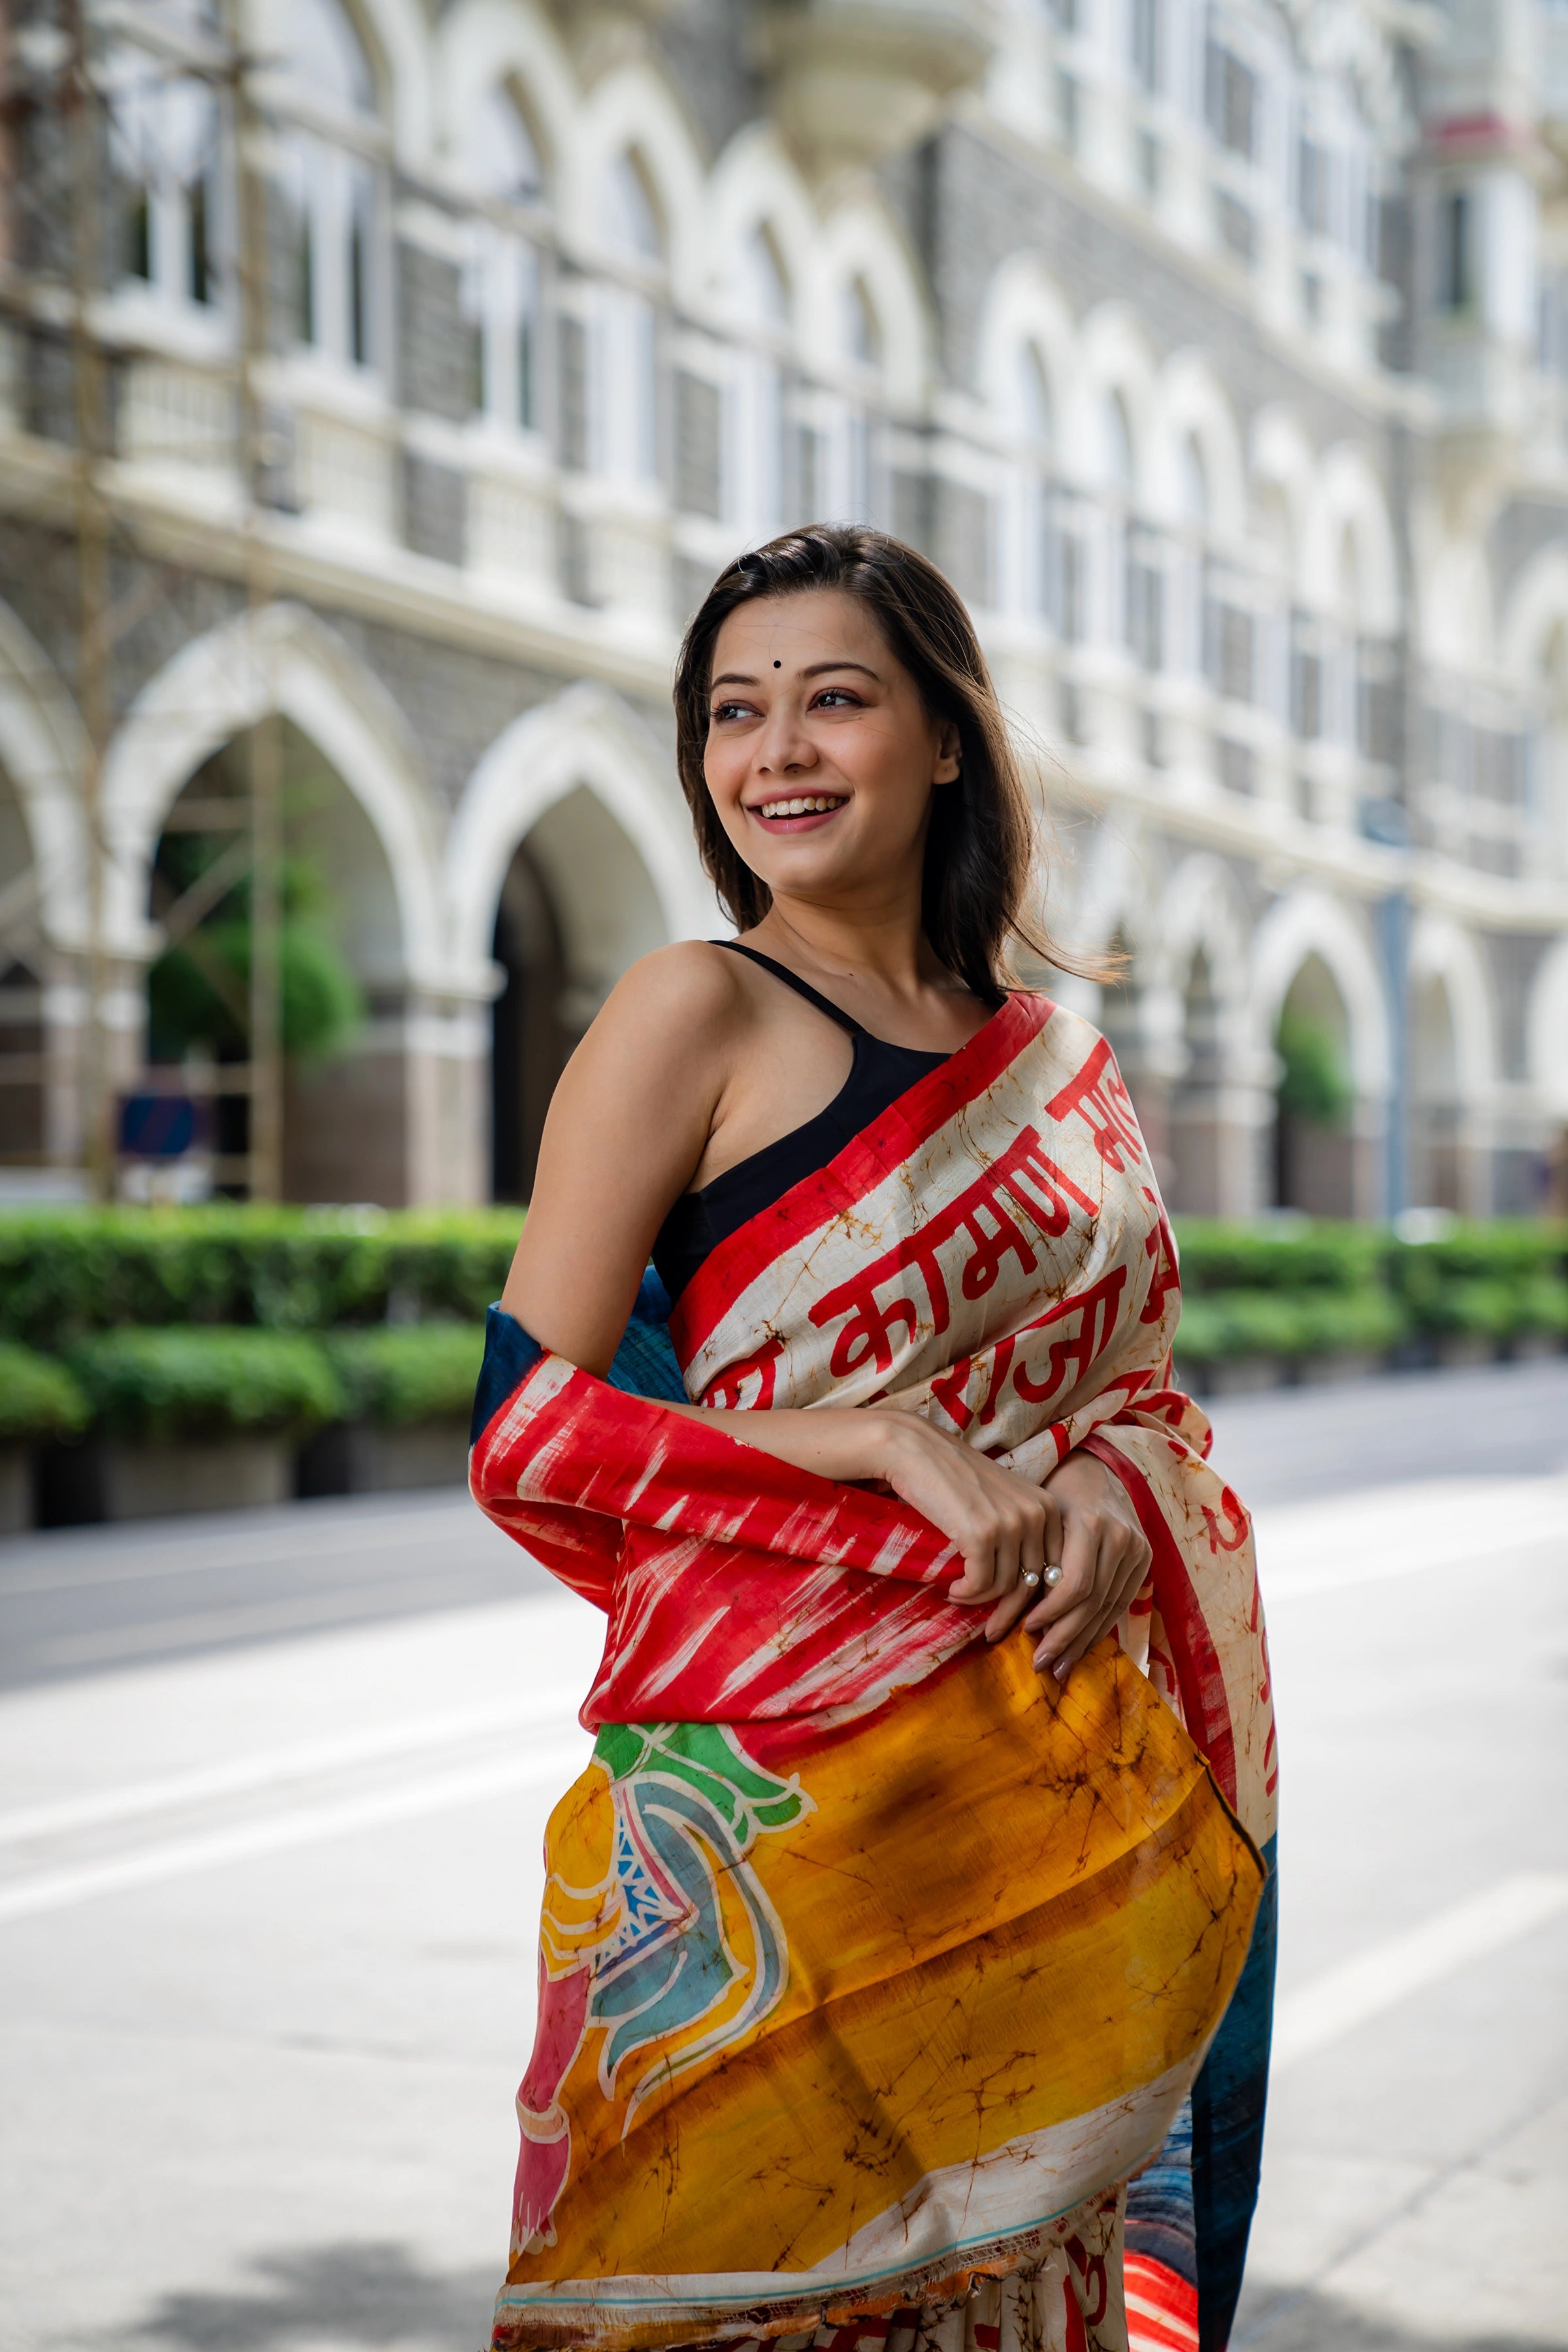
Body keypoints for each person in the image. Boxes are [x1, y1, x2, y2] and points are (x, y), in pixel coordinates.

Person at [470, 525, 1277, 2352]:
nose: (779, 753)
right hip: (764, 1840)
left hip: (1053, 1818)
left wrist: (1105, 1483)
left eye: (835, 699)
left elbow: (1137, 1394)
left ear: (942, 739)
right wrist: (868, 1441)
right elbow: (527, 1426)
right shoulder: (698, 1008)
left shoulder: (1062, 1064)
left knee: (1018, 2304)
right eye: (735, 714)